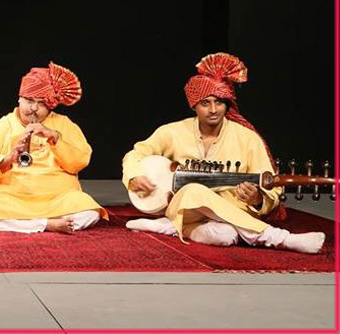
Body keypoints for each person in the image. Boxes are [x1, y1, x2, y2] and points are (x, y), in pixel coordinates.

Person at [122, 52, 324, 254]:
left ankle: (170, 226)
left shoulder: (247, 139)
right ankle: (280, 239)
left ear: (226, 104)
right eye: (205, 103)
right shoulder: (171, 132)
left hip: (232, 210)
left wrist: (258, 199)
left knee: (225, 236)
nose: (213, 110)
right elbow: (135, 154)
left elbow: (273, 189)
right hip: (187, 205)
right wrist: (134, 176)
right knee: (194, 190)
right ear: (194, 106)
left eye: (219, 102)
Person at [0, 62, 106, 234]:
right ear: (19, 98)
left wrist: (54, 137)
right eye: (29, 101)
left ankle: (22, 225)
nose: (34, 108)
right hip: (12, 196)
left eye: (41, 103)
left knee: (89, 210)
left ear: (50, 106)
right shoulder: (3, 125)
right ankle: (47, 224)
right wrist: (8, 159)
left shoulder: (63, 124)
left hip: (56, 197)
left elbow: (80, 161)